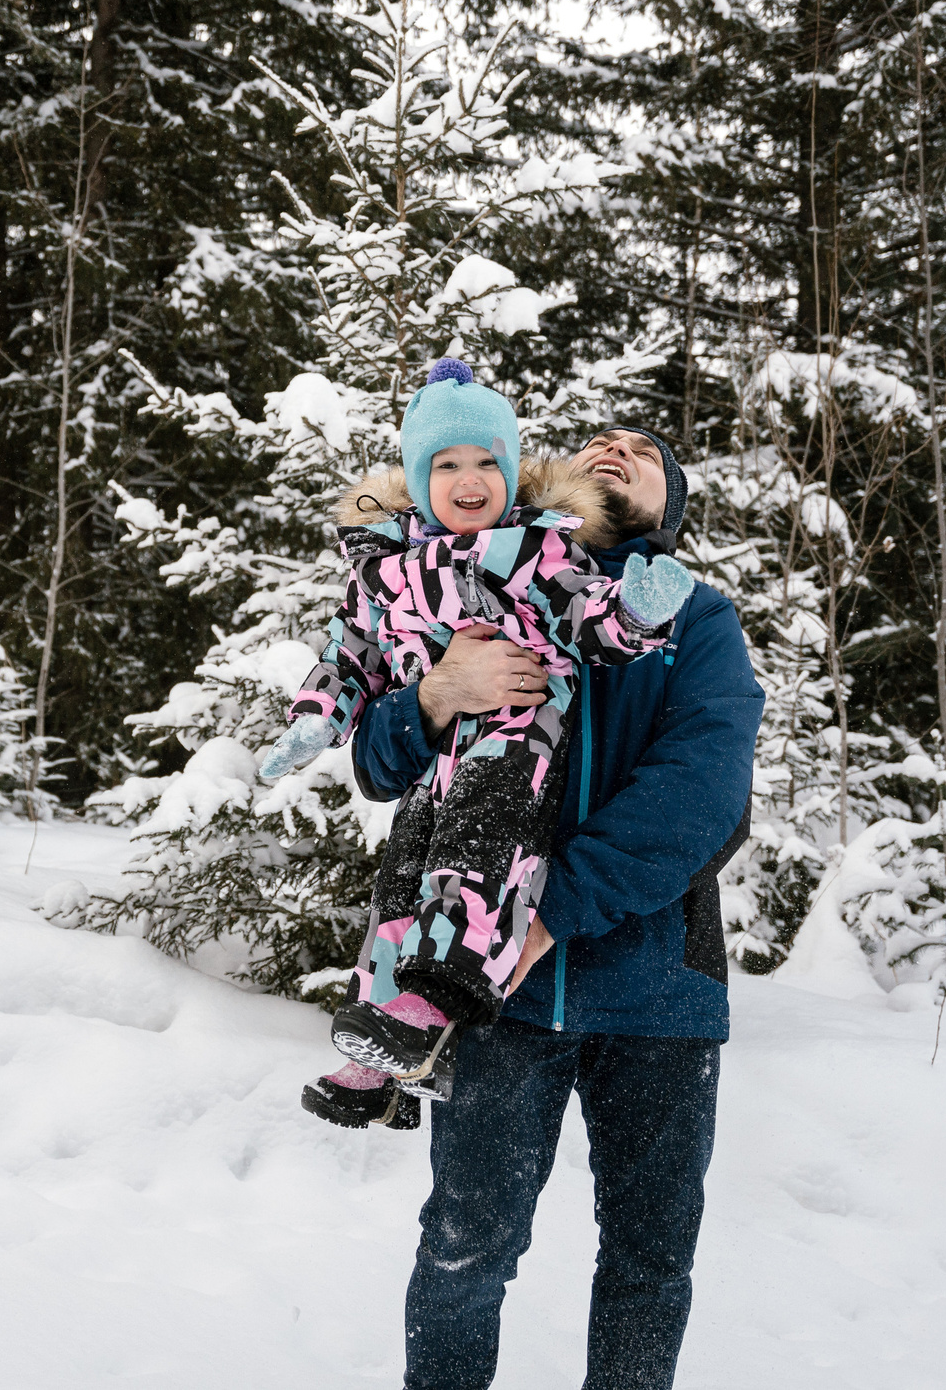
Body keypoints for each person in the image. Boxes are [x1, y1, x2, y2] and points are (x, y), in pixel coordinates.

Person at [353, 421, 765, 1390]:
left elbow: (702, 797)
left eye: (648, 451)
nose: (618, 447)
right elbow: (378, 763)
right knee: (466, 1246)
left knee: (648, 1261)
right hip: (500, 996)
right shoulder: (482, 585)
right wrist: (434, 693)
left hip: (660, 994)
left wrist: (547, 914)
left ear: (673, 509)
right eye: (599, 438)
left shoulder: (697, 620)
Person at [260, 360, 696, 1131]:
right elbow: (351, 649)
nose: (469, 479)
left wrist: (637, 612)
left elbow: (586, 622)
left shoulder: (534, 551)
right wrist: (318, 716)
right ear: (418, 480)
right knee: (404, 880)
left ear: (513, 472)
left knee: (477, 856)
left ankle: (432, 1006)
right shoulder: (383, 566)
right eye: (447, 464)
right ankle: (381, 1054)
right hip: (437, 760)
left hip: (517, 739)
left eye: (488, 462)